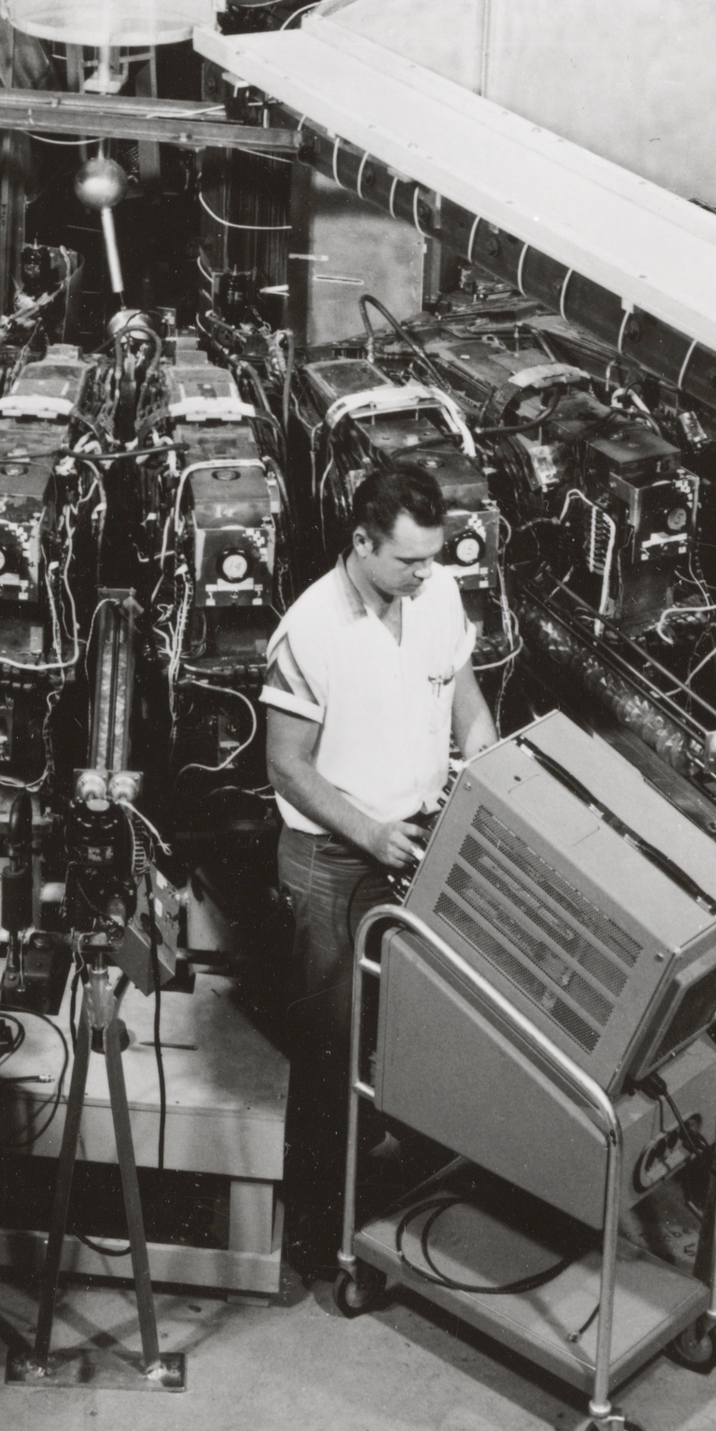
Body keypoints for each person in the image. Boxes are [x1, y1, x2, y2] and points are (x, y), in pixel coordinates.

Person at [261, 461, 500, 1276]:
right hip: (335, 858)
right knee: (330, 1051)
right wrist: (369, 833)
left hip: (422, 838)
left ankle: (402, 1182)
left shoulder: (434, 595)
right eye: (408, 560)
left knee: (423, 1022)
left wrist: (484, 756)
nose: (426, 573)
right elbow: (286, 767)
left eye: (433, 557)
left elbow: (461, 689)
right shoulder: (311, 630)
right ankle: (317, 1238)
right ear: (361, 543)